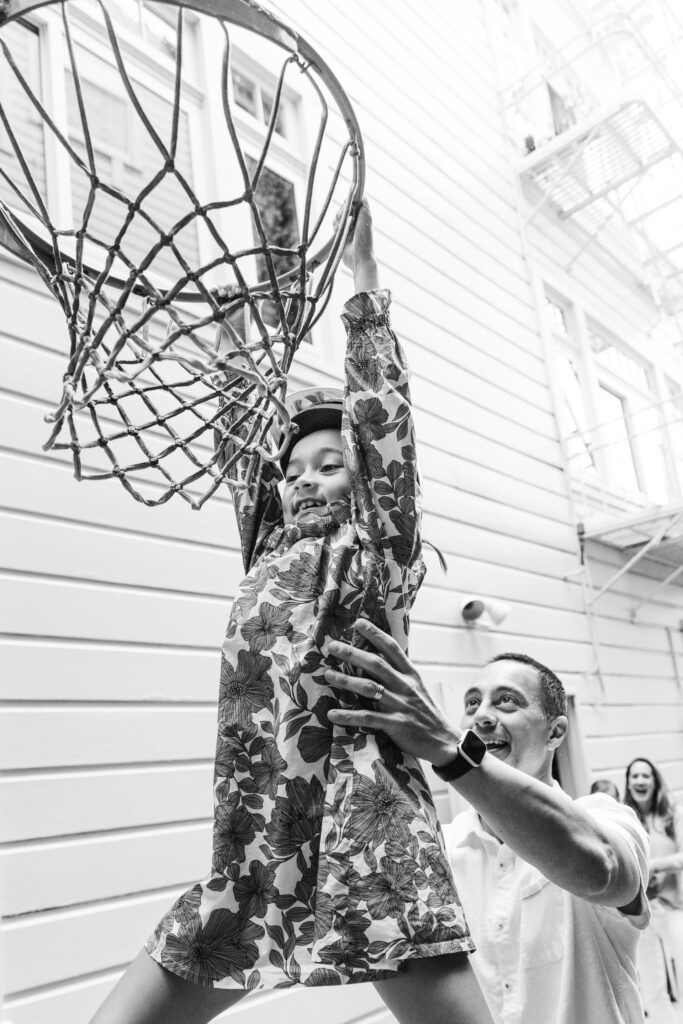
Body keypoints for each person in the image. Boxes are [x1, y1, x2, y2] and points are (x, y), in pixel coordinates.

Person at [89, 200, 492, 1024]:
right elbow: (242, 440)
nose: (305, 476)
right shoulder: (265, 558)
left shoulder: (373, 548)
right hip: (254, 850)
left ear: (361, 480)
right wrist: (237, 330)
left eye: (329, 462)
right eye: (294, 466)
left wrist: (364, 283)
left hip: (367, 835)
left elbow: (383, 423)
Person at [326, 624, 652, 1024]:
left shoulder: (606, 817)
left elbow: (601, 870)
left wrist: (453, 751)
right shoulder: (435, 850)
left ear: (556, 731)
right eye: (472, 703)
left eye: (507, 702)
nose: (481, 716)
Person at [625, 758, 683, 1024]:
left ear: (655, 780)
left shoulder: (673, 815)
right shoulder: (627, 819)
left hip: (674, 909)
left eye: (645, 775)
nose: (640, 781)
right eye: (634, 776)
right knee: (652, 987)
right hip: (642, 914)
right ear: (628, 782)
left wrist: (652, 867)